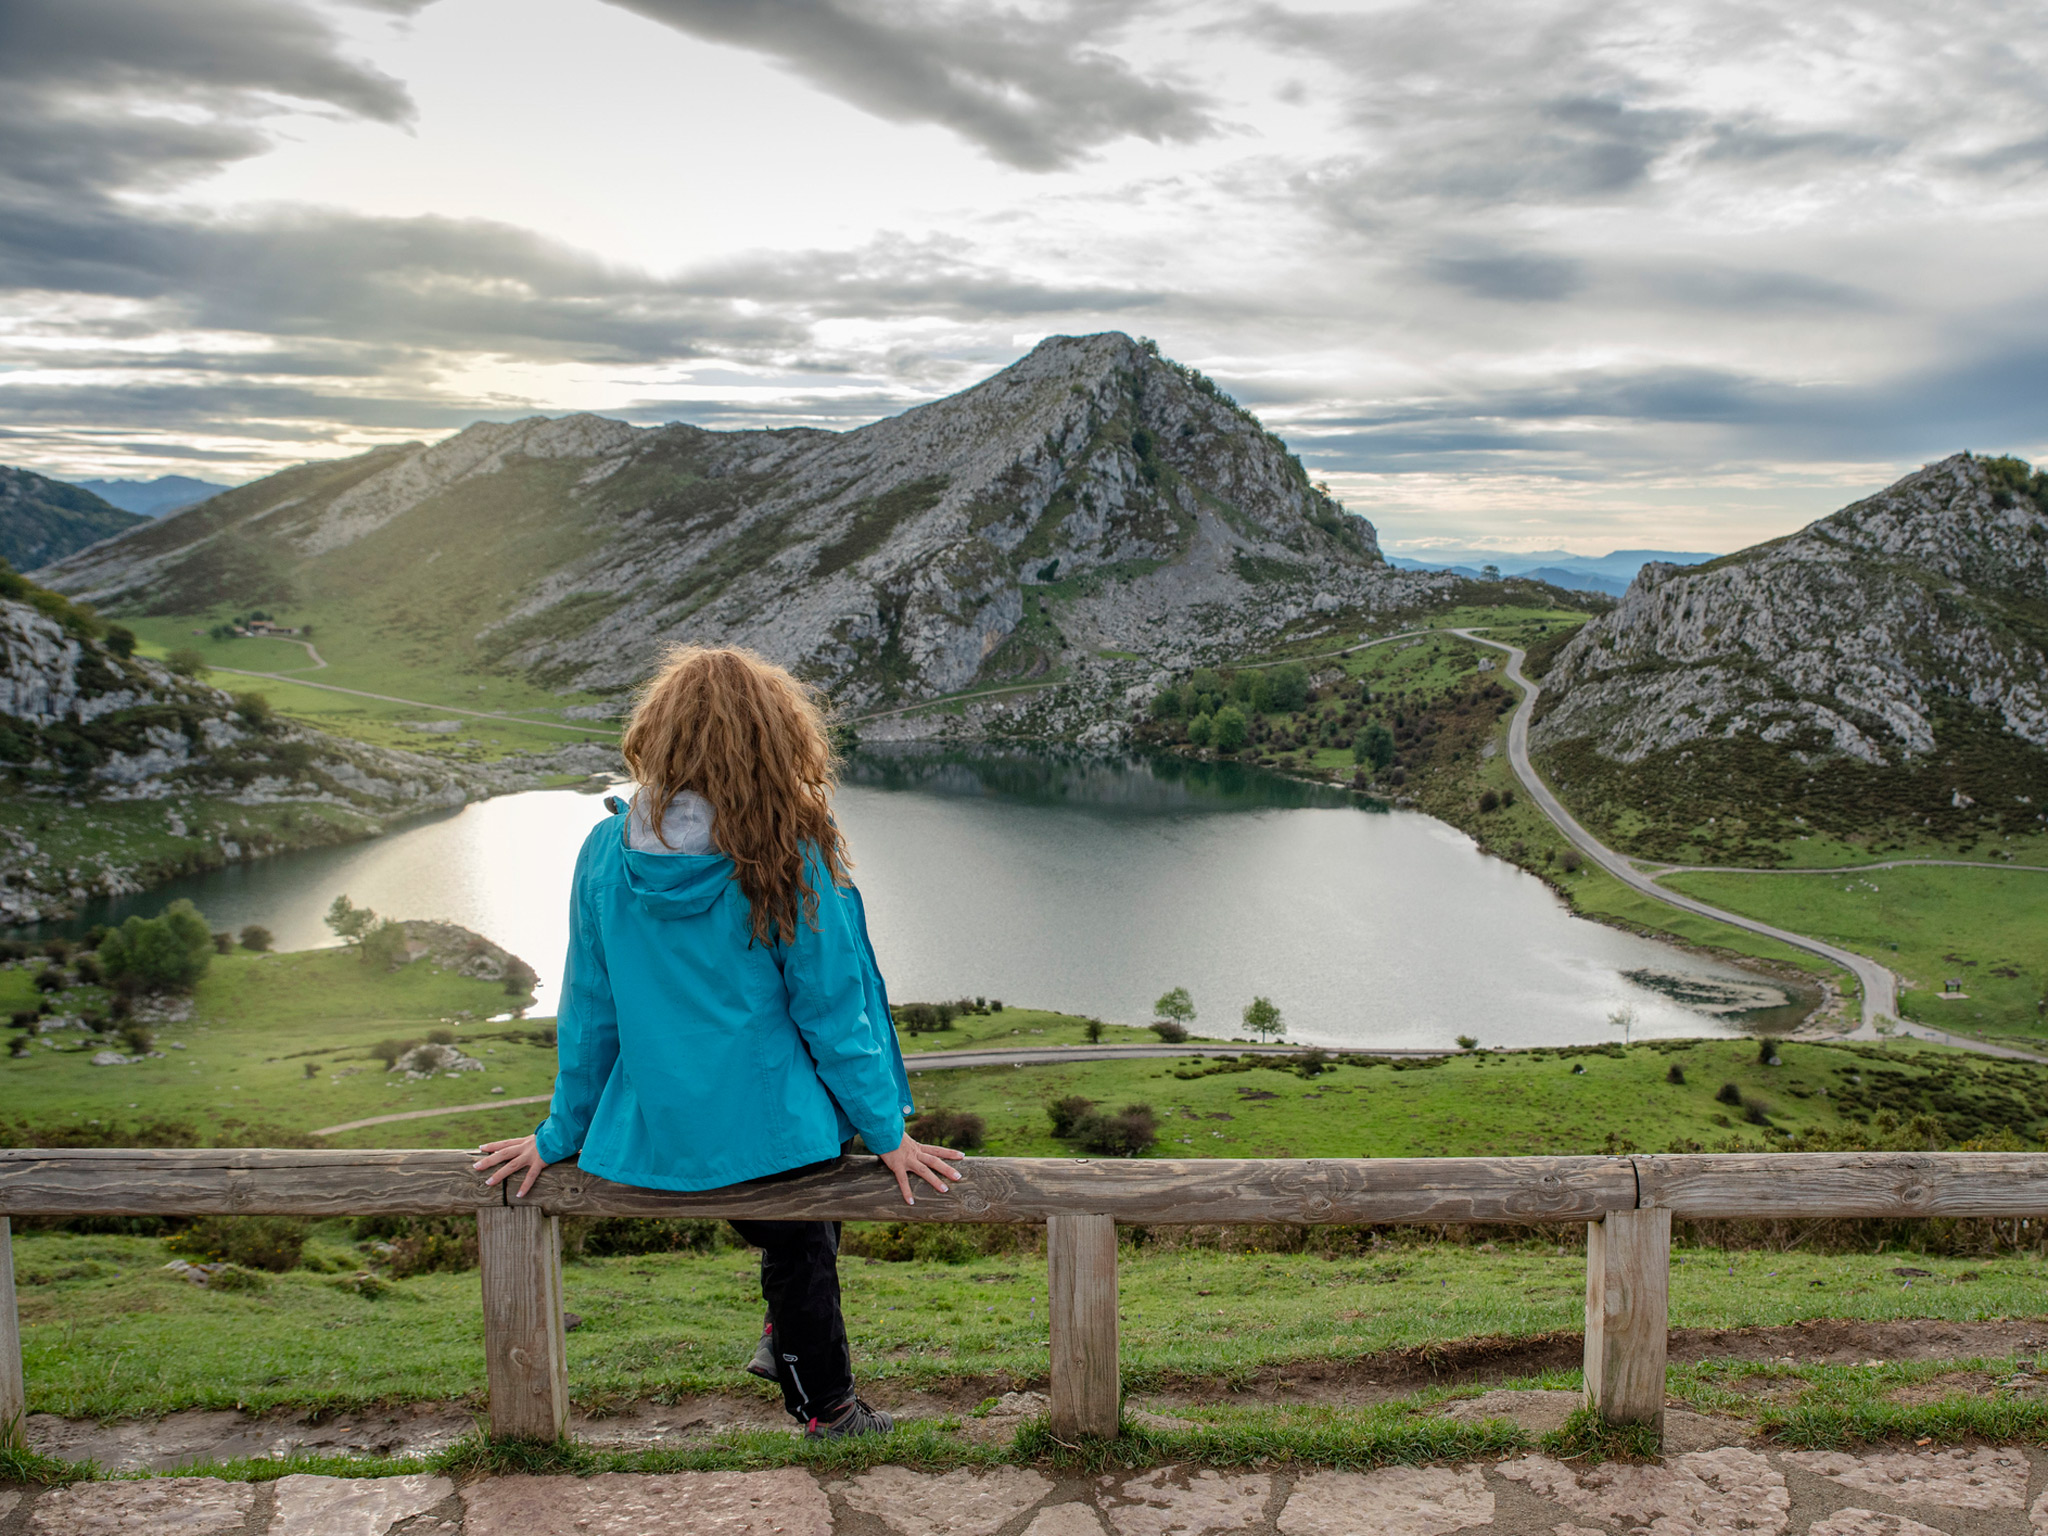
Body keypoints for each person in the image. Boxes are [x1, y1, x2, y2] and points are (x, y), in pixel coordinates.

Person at [473, 645, 964, 1439]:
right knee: (802, 1236)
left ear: (658, 735)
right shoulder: (785, 851)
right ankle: (827, 1410)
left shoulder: (605, 853)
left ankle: (787, 1348)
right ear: (776, 740)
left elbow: (589, 1011)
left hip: (664, 1133)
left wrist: (560, 1133)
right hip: (774, 1129)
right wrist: (889, 1135)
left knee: (795, 1234)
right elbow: (834, 1015)